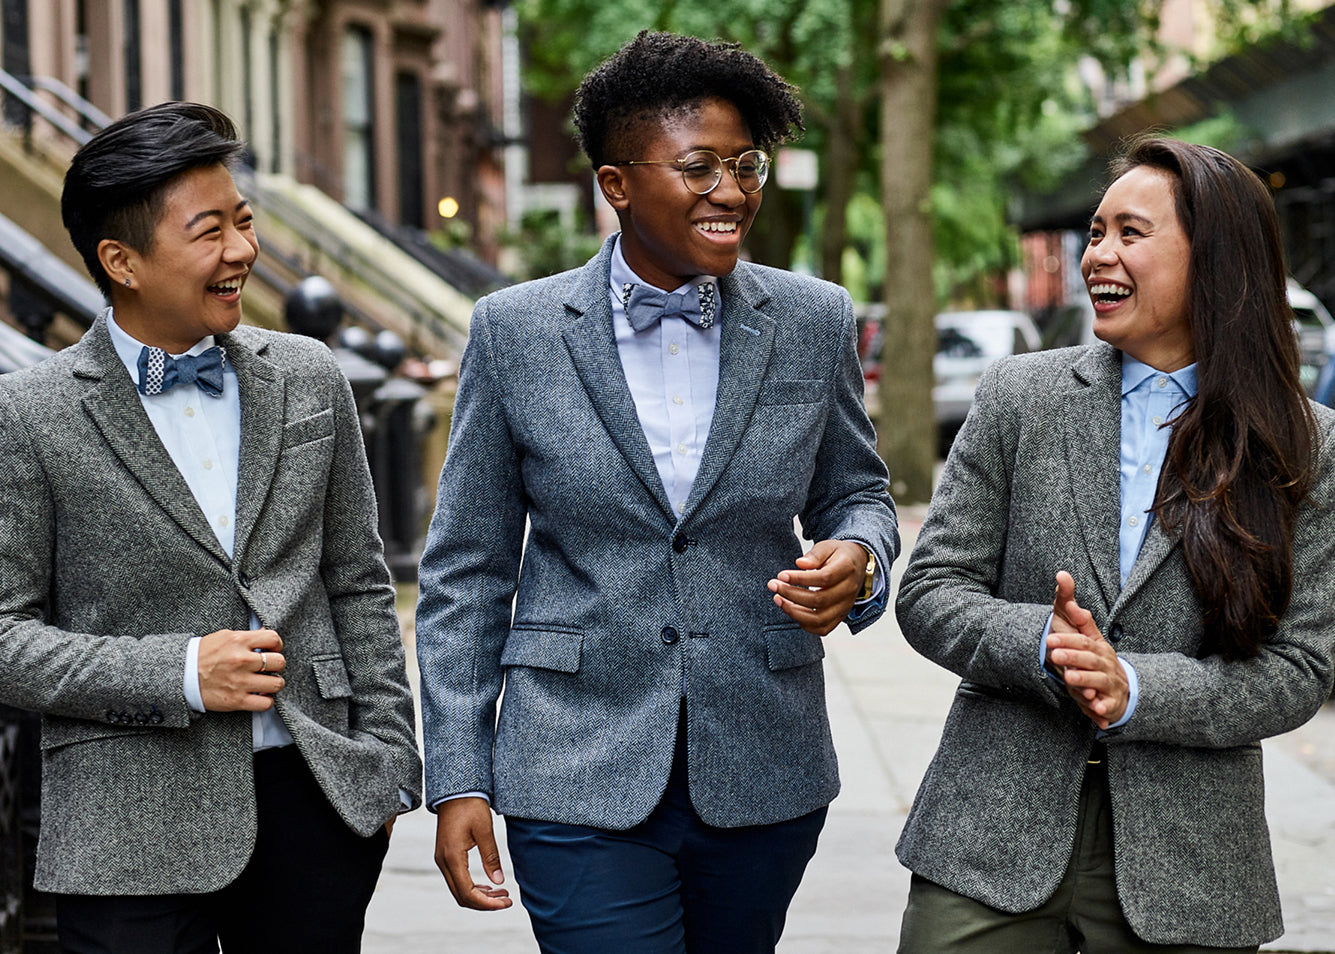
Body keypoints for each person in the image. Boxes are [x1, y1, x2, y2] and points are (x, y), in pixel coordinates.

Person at [414, 30, 898, 954]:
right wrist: (459, 775)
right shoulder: (516, 332)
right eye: (699, 166)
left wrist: (860, 558)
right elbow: (466, 572)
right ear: (617, 184)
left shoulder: (812, 320)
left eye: (745, 165)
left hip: (762, 763)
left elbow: (857, 494)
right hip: (572, 764)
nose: (731, 191)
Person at [893, 136, 1335, 952]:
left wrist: (1133, 686)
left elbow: (1297, 671)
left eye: (1129, 233)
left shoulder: (1306, 446)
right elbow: (929, 590)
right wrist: (1042, 645)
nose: (1099, 253)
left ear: (1216, 259)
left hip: (1192, 864)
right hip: (988, 838)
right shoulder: (1020, 396)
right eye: (1094, 232)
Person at [0, 102, 422, 953]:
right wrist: (183, 671)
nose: (242, 251)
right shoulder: (28, 413)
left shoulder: (308, 375)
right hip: (125, 828)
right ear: (121, 260)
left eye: (244, 220)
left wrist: (382, 764)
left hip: (317, 799)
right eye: (209, 231)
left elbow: (359, 579)